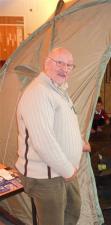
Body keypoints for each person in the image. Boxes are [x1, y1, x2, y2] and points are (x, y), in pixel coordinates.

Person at [15, 48, 91, 225]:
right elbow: (43, 142)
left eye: (69, 65)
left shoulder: (58, 90)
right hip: (46, 176)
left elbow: (62, 127)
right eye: (60, 63)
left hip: (63, 171)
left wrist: (79, 144)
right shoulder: (38, 93)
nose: (65, 68)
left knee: (72, 211)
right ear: (46, 63)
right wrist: (68, 171)